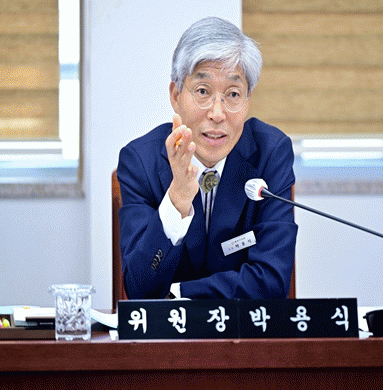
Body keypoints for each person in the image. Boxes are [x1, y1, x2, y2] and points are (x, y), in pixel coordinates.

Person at [117, 17, 297, 299]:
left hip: (238, 328)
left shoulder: (270, 154)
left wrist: (179, 293)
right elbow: (140, 290)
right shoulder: (141, 162)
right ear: (176, 96)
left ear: (247, 100)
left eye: (233, 94)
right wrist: (177, 199)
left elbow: (272, 282)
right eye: (203, 91)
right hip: (168, 330)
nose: (217, 113)